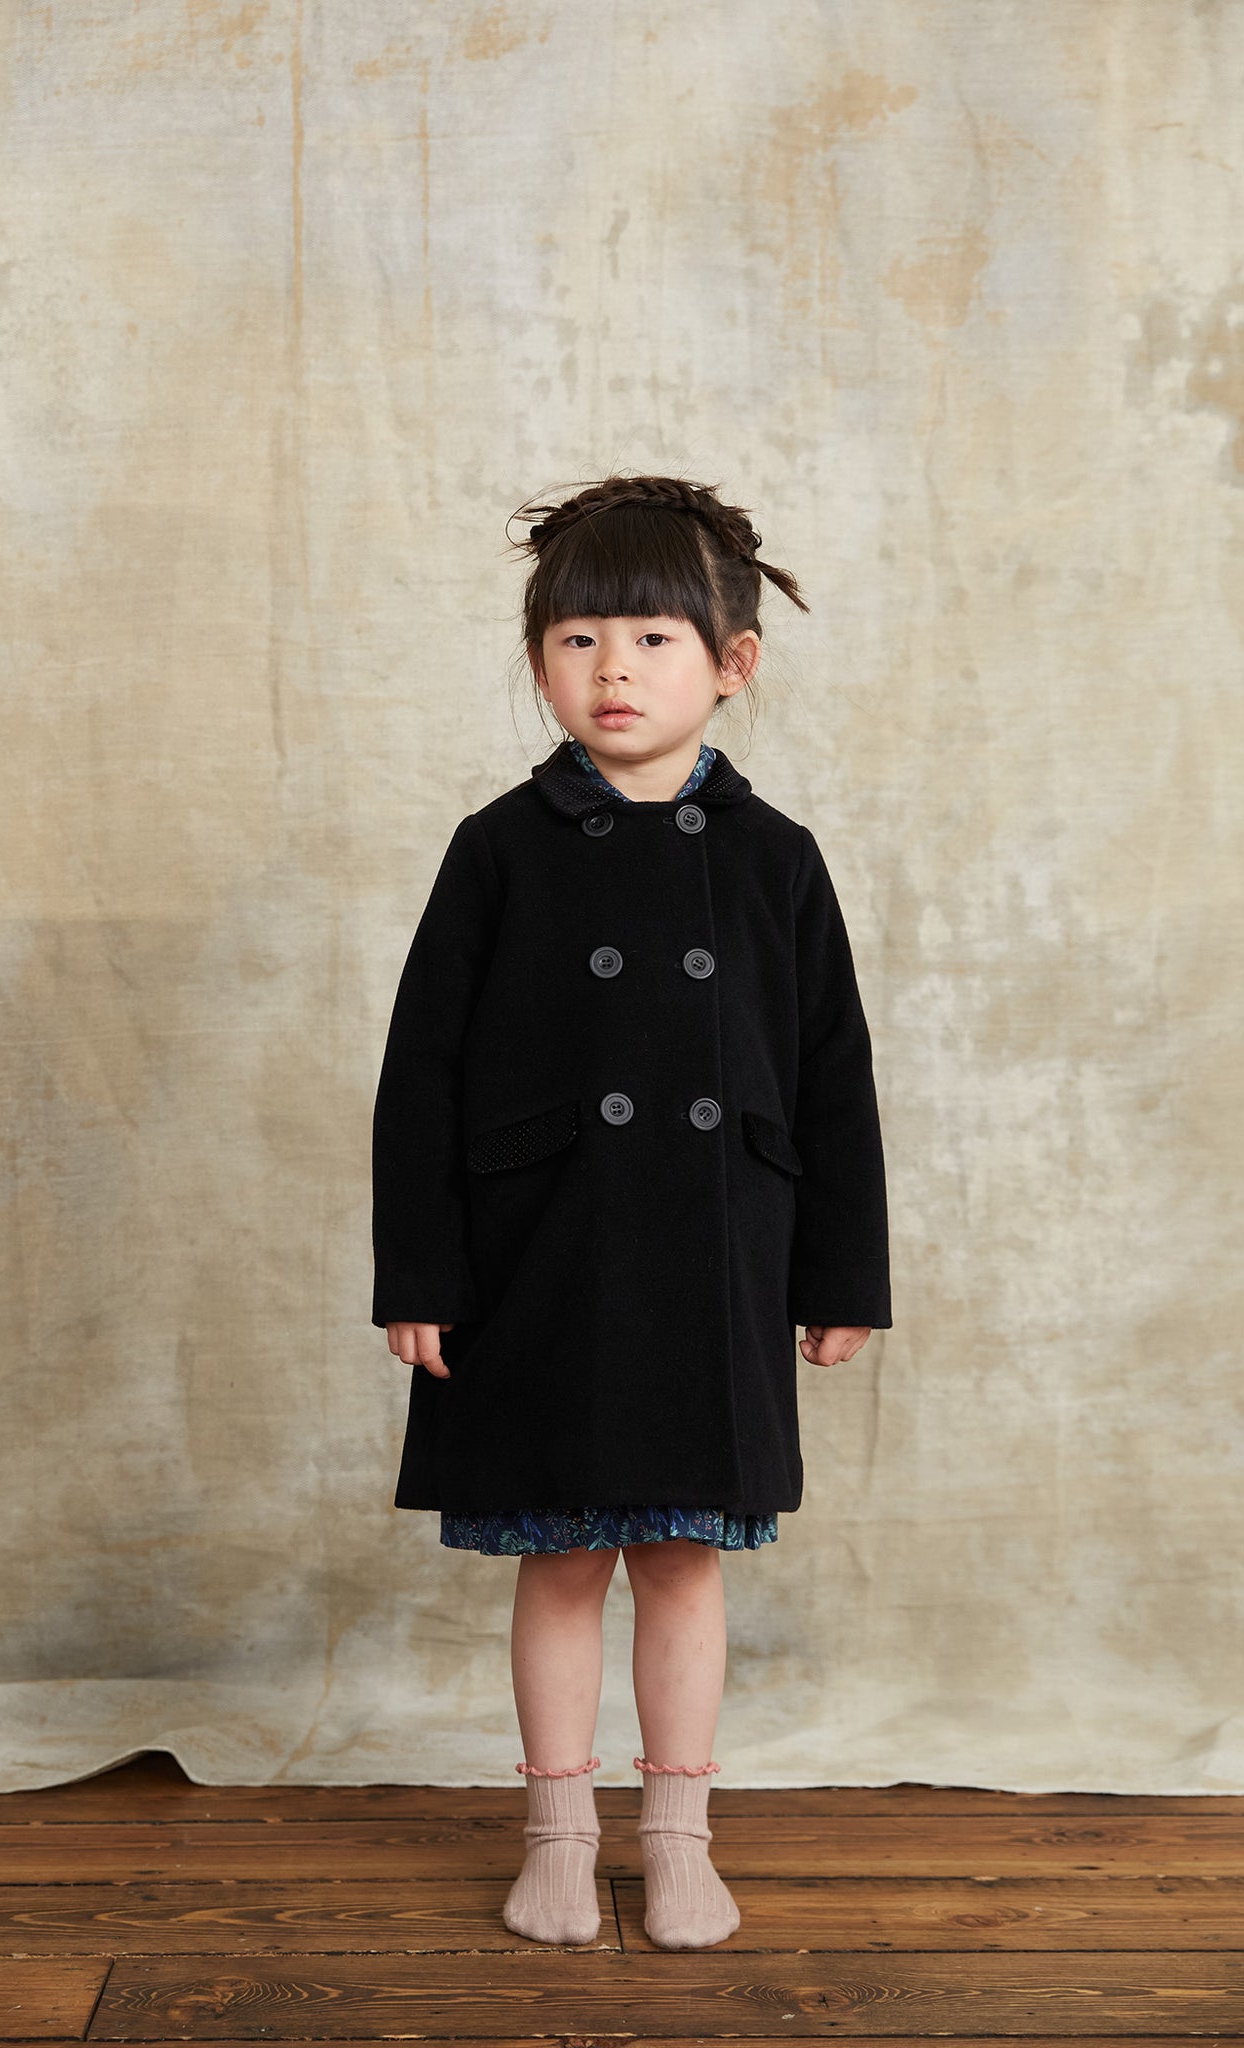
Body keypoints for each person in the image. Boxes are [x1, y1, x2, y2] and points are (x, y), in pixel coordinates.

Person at [370, 473, 891, 1952]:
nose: (613, 669)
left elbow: (832, 1074)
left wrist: (840, 1273)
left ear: (732, 662)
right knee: (558, 1559)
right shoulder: (497, 847)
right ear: (540, 661)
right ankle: (555, 1834)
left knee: (679, 1560)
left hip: (716, 1255)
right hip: (541, 1259)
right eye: (578, 639)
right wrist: (422, 1272)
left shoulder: (777, 858)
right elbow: (421, 1074)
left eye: (654, 638)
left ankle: (675, 1840)